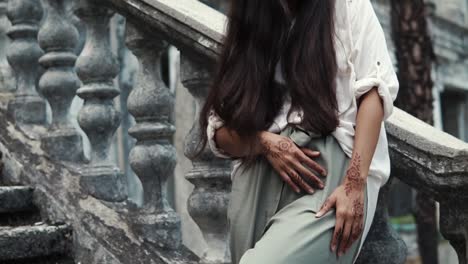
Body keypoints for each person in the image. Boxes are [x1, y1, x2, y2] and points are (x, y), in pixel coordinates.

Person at [197, 0, 399, 263]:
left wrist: (354, 183)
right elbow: (219, 131)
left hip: (329, 175)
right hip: (257, 175)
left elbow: (375, 91)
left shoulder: (348, 6)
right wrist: (265, 143)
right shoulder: (251, 14)